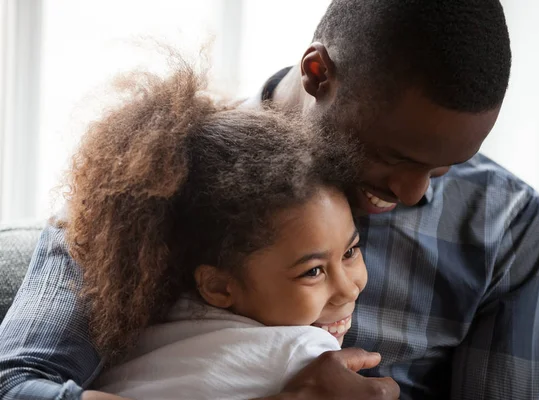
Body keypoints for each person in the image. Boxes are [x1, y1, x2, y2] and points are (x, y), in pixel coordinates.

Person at [0, 1, 539, 399]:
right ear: (318, 73)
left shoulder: (503, 218)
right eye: (396, 157)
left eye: (442, 168)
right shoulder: (151, 182)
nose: (415, 193)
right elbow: (15, 384)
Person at [58, 60, 379, 400]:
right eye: (312, 271)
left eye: (349, 252)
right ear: (217, 286)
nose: (348, 289)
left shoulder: (152, 320)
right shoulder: (305, 354)